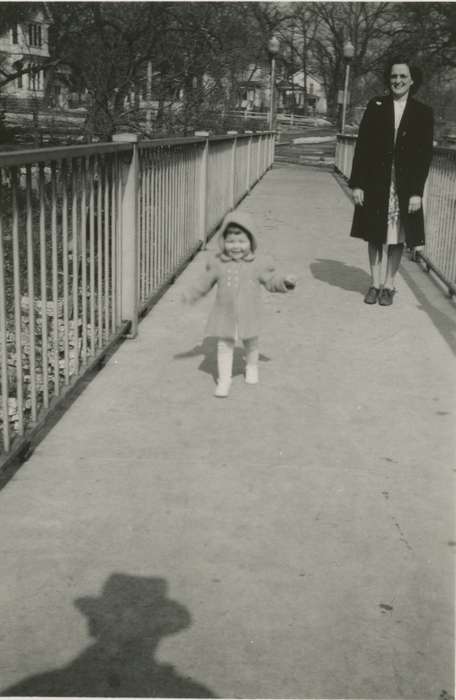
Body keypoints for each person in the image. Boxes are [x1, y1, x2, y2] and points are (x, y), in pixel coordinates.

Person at [183, 210, 296, 397]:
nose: (236, 247)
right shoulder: (218, 263)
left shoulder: (258, 263)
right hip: (225, 315)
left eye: (242, 242)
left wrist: (284, 281)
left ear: (251, 242)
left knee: (251, 342)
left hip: (249, 312)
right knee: (224, 345)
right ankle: (224, 380)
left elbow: (270, 280)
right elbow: (205, 282)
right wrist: (192, 294)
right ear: (223, 241)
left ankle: (252, 366)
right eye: (231, 242)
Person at [349, 56, 434, 306]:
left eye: (402, 77)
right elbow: (362, 147)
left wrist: (417, 192)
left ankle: (389, 284)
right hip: (376, 182)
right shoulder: (375, 105)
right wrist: (357, 184)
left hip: (404, 185)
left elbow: (424, 156)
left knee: (397, 236)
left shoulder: (423, 112)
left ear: (411, 81)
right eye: (394, 76)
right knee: (374, 234)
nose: (397, 81)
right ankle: (374, 284)